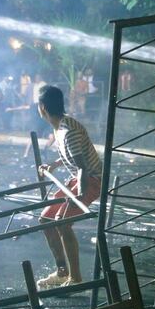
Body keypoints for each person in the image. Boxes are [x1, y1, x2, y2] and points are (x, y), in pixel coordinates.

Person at [36, 85, 102, 288]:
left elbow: (82, 166)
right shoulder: (60, 125)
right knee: (46, 220)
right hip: (78, 177)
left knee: (62, 222)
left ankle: (75, 277)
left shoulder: (67, 131)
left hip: (92, 179)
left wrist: (80, 196)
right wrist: (54, 165)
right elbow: (72, 155)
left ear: (43, 108)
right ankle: (62, 271)